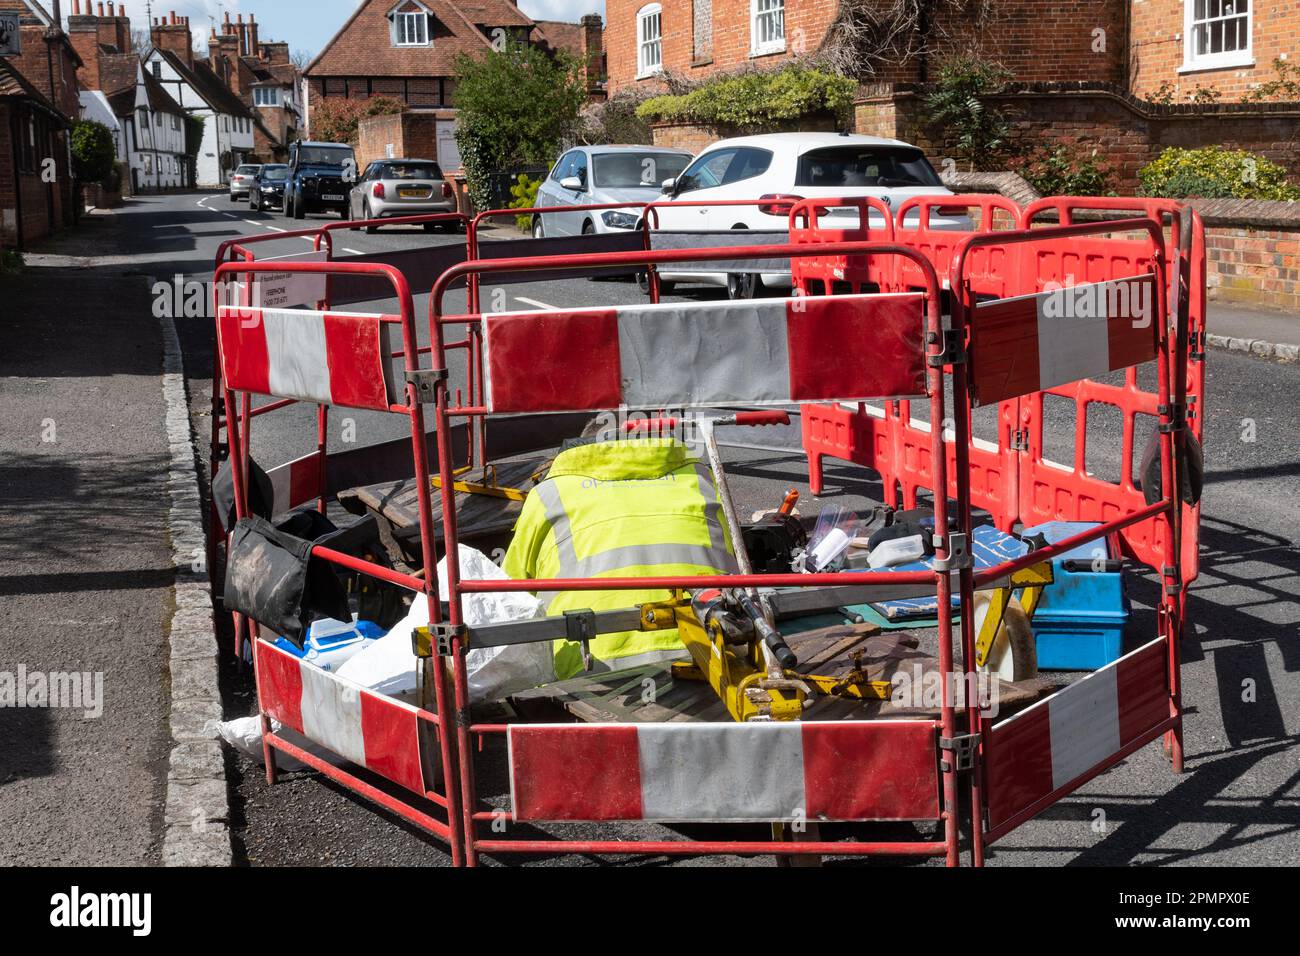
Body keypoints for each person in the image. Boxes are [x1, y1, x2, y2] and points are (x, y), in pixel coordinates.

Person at [502, 433, 737, 680]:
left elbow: (511, 599)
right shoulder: (704, 481)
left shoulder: (548, 495)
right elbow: (737, 567)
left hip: (590, 664)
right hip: (712, 651)